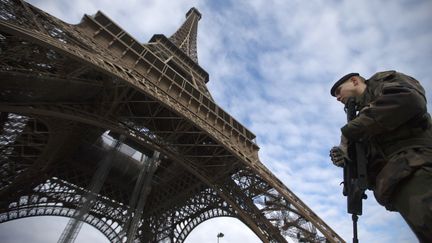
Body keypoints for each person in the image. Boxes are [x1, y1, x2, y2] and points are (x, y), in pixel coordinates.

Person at [329, 71, 432, 242]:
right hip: (397, 180)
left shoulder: (382, 83)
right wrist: (347, 158)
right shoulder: (359, 114)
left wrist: (349, 132)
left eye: (339, 91)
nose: (337, 97)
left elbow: (409, 100)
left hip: (417, 166)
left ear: (354, 81)